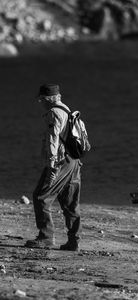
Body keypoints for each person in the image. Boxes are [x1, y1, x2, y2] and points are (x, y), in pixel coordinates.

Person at [25, 84, 82, 251]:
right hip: (75, 161)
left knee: (41, 196)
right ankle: (74, 241)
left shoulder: (53, 113)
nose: (39, 102)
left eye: (41, 99)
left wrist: (51, 165)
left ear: (47, 99)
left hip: (60, 161)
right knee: (70, 202)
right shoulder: (67, 110)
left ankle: (46, 237)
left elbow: (53, 141)